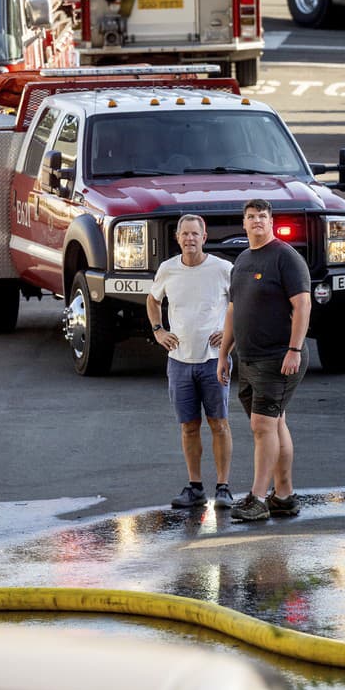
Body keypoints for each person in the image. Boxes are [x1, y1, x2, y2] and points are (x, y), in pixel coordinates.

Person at [216, 199, 311, 523]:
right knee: (275, 423)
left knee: (262, 425)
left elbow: (302, 306)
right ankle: (283, 495)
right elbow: (233, 310)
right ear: (243, 224)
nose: (257, 221)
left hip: (279, 356)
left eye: (263, 216)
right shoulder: (242, 260)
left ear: (271, 222)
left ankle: (257, 498)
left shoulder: (285, 257)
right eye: (251, 216)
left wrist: (294, 350)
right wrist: (224, 353)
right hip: (249, 359)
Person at [147, 214, 235, 510]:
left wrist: (228, 333)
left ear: (204, 237)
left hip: (214, 361)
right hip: (179, 361)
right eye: (184, 234)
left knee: (219, 424)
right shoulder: (168, 269)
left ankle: (223, 487)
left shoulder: (223, 269)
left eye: (195, 234)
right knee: (188, 426)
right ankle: (195, 488)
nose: (189, 239)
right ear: (177, 238)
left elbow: (240, 303)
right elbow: (153, 299)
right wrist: (158, 330)